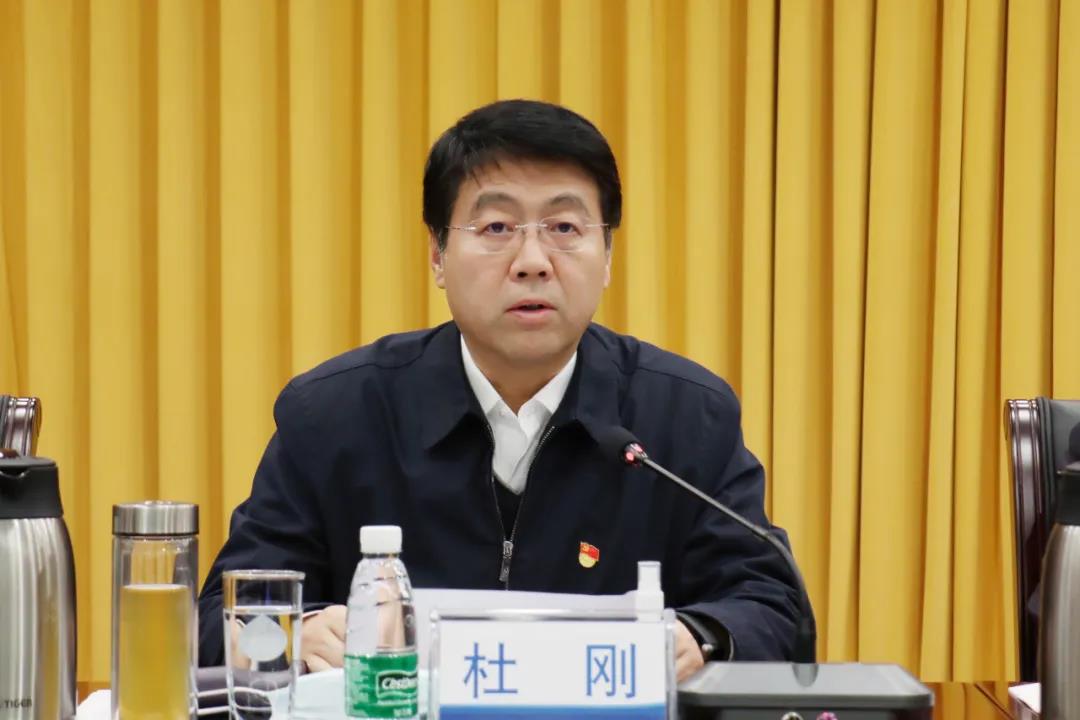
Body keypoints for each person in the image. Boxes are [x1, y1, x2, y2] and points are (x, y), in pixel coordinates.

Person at [198, 99, 805, 681]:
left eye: (564, 227)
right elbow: (220, 618)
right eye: (496, 227)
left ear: (608, 255)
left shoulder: (686, 415)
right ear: (438, 254)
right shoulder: (333, 414)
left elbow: (773, 608)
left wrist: (701, 636)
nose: (532, 260)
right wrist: (296, 633)